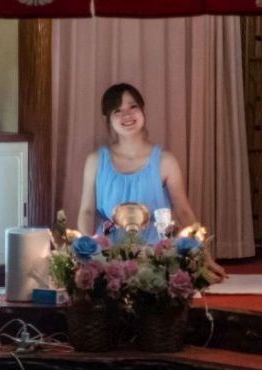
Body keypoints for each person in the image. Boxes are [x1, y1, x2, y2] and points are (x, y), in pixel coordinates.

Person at [77, 83, 226, 282]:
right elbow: (87, 211)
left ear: (143, 110)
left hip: (156, 257)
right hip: (108, 258)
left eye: (133, 107)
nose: (127, 115)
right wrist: (85, 255)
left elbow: (183, 212)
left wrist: (204, 256)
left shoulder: (166, 161)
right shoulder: (95, 161)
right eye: (117, 110)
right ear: (108, 118)